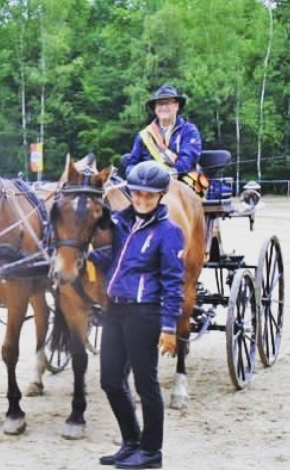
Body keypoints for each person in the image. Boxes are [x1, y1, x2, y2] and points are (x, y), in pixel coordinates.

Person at [93, 161, 184, 469]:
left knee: (146, 384)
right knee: (110, 380)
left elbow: (174, 283)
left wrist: (170, 326)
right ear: (130, 193)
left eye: (150, 195)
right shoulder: (119, 223)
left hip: (145, 312)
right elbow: (115, 261)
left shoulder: (168, 233)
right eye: (138, 194)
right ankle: (131, 442)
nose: (143, 200)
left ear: (160, 196)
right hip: (115, 309)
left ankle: (151, 452)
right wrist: (84, 256)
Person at [124, 84, 204, 194]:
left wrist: (166, 176)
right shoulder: (144, 134)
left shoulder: (189, 130)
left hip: (180, 181)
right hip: (147, 185)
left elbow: (188, 160)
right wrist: (134, 176)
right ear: (155, 109)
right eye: (159, 104)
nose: (163, 107)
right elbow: (132, 163)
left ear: (177, 106)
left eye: (167, 103)